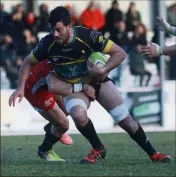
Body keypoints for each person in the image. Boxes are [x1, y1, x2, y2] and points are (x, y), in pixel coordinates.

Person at [9, 6, 172, 164]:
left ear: (69, 26)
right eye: (52, 29)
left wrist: (103, 71)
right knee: (78, 115)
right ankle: (98, 148)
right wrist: (20, 88)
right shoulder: (47, 43)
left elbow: (119, 53)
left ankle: (154, 153)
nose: (55, 34)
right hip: (74, 87)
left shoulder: (88, 36)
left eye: (59, 29)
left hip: (97, 81)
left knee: (125, 120)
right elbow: (28, 62)